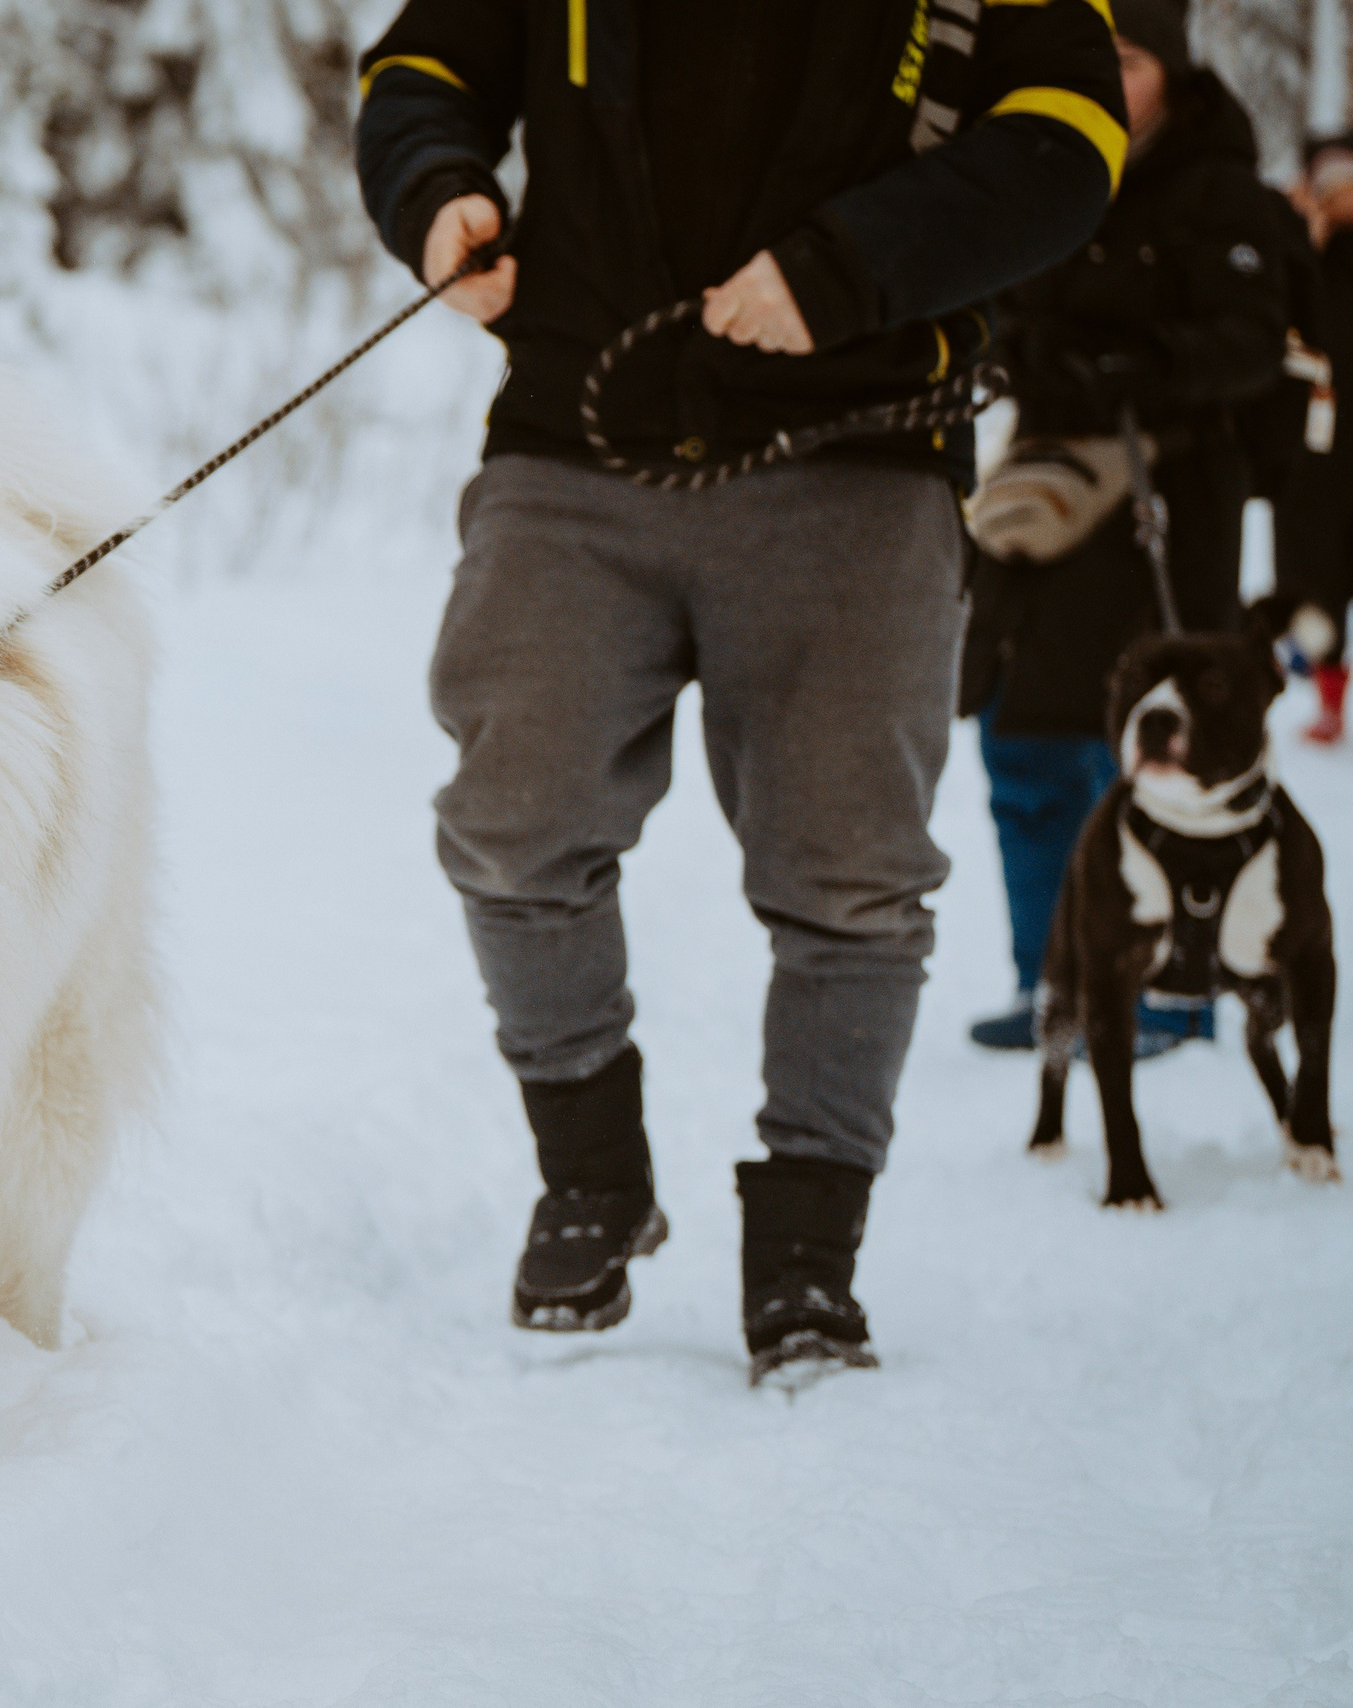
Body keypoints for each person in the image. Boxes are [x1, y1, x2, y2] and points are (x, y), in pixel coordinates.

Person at [356, 0, 1126, 1383]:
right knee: (510, 824)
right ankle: (592, 1174)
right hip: (575, 436)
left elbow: (1068, 142)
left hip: (864, 446)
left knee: (850, 878)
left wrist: (844, 270)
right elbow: (425, 65)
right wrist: (437, 191)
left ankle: (808, 1261)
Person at [960, 4, 1290, 1055]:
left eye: (1128, 57)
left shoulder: (1222, 192)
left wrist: (1121, 368)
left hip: (1162, 511)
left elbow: (1249, 347)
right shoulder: (1034, 174)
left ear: (1176, 72)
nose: (1104, 76)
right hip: (1038, 509)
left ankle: (1171, 987)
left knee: (1153, 761)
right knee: (1020, 746)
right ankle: (1051, 979)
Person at [1271, 134, 1353, 744]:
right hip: (1317, 449)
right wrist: (1305, 239)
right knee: (1315, 571)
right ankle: (1326, 690)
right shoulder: (1302, 254)